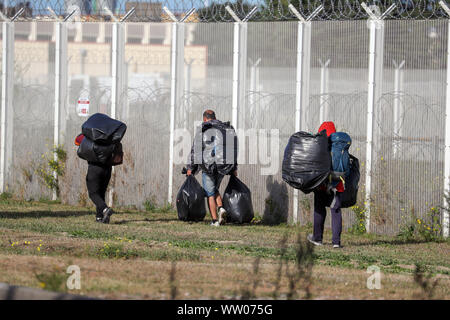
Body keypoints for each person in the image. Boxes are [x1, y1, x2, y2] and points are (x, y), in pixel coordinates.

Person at [186, 110, 238, 227]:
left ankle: (215, 221)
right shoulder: (225, 128)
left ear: (205, 119)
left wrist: (191, 167)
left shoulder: (204, 129)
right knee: (214, 189)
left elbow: (196, 150)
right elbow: (233, 149)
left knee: (210, 193)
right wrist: (233, 167)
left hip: (208, 165)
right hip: (222, 166)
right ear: (215, 117)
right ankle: (221, 208)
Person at [307, 121, 346, 248]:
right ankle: (336, 242)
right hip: (337, 184)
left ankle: (317, 239)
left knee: (319, 209)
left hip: (321, 184)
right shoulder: (339, 145)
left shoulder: (320, 145)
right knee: (336, 211)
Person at [75, 134, 123, 224]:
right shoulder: (109, 138)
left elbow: (77, 141)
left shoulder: (91, 136)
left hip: (95, 168)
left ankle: (105, 209)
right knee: (101, 193)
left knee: (93, 193)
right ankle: (99, 217)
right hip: (107, 169)